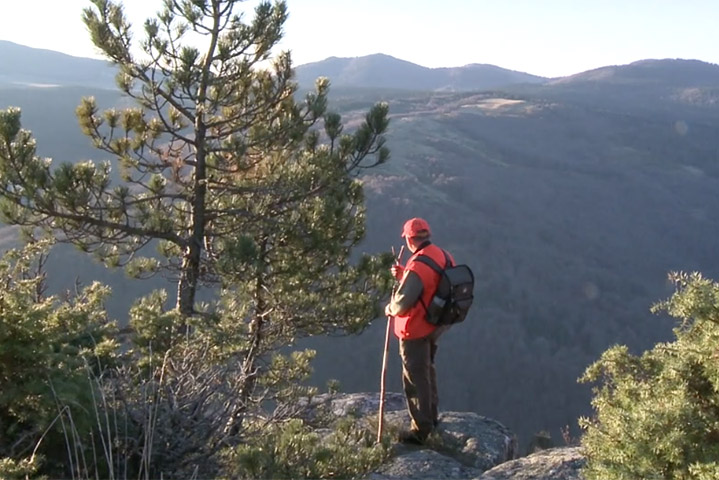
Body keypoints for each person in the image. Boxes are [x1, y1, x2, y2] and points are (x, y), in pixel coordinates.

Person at [385, 217, 454, 445]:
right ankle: (431, 417)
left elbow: (403, 303)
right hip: (436, 325)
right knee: (427, 369)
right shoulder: (442, 255)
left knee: (415, 377)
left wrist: (389, 308)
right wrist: (405, 274)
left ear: (409, 238)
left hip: (415, 329)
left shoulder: (417, 266)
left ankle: (421, 430)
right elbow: (431, 282)